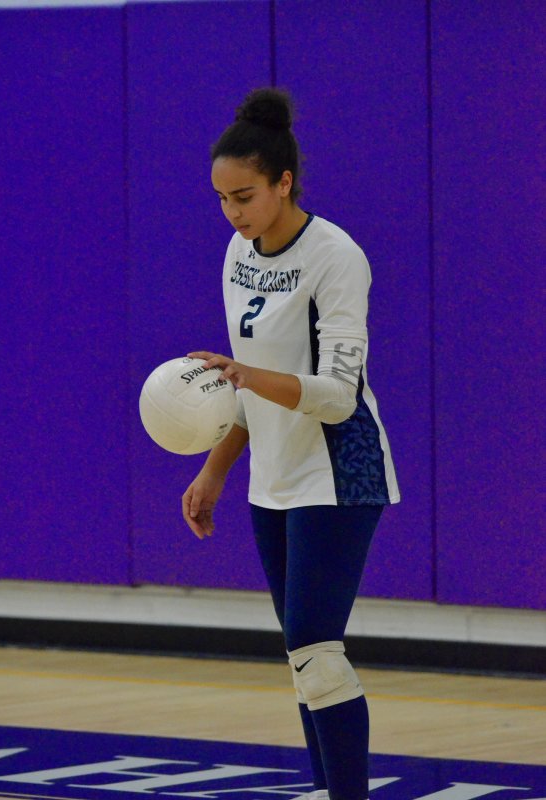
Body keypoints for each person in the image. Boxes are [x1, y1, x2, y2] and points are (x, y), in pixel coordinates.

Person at [182, 88, 400, 800]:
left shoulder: (337, 257)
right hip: (270, 473)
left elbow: (337, 395)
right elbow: (242, 387)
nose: (232, 213)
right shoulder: (235, 252)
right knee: (302, 658)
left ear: (284, 182)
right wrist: (215, 470)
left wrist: (247, 373)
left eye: (243, 196)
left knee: (316, 647)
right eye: (220, 200)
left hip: (338, 468)